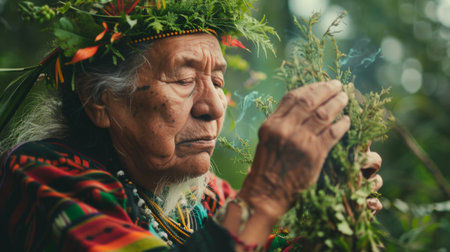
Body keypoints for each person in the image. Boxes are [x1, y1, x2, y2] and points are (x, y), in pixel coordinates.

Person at [0, 0, 383, 251]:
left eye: (218, 81)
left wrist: (331, 221)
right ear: (100, 101)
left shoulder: (202, 197)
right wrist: (265, 194)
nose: (214, 106)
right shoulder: (45, 175)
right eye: (183, 80)